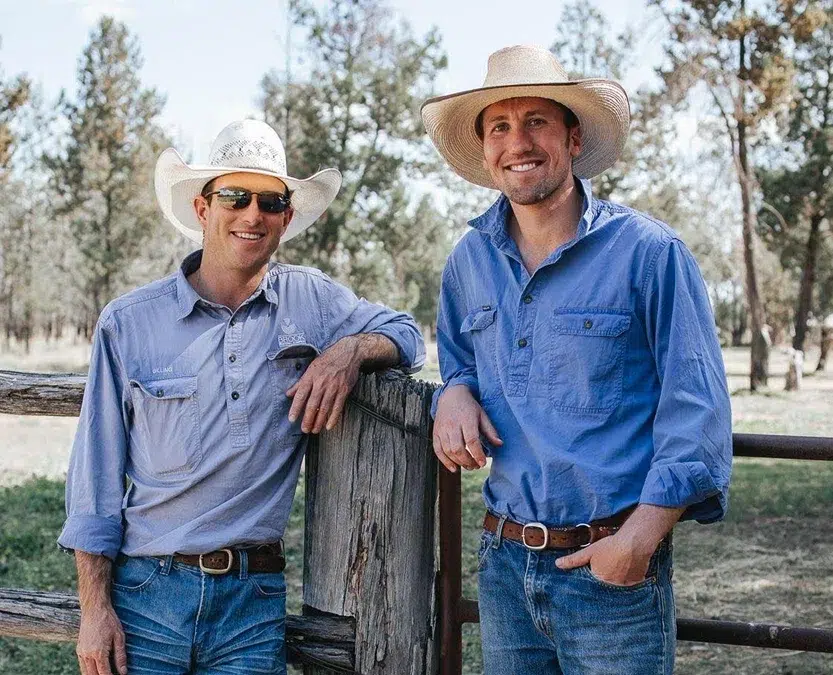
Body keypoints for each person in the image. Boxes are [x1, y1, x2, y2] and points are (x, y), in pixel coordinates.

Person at [58, 119, 425, 675]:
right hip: (147, 596)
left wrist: (346, 352)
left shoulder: (312, 302)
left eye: (270, 201)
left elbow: (407, 334)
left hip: (252, 600)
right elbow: (95, 481)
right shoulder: (129, 324)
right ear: (203, 210)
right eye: (234, 196)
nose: (252, 214)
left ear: (287, 217)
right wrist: (95, 610)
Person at [422, 45, 732, 674]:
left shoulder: (650, 254)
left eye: (536, 120)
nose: (518, 142)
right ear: (484, 148)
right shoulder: (467, 264)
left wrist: (638, 542)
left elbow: (696, 411)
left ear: (572, 135)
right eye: (500, 127)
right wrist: (452, 391)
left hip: (611, 565)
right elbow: (458, 362)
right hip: (505, 564)